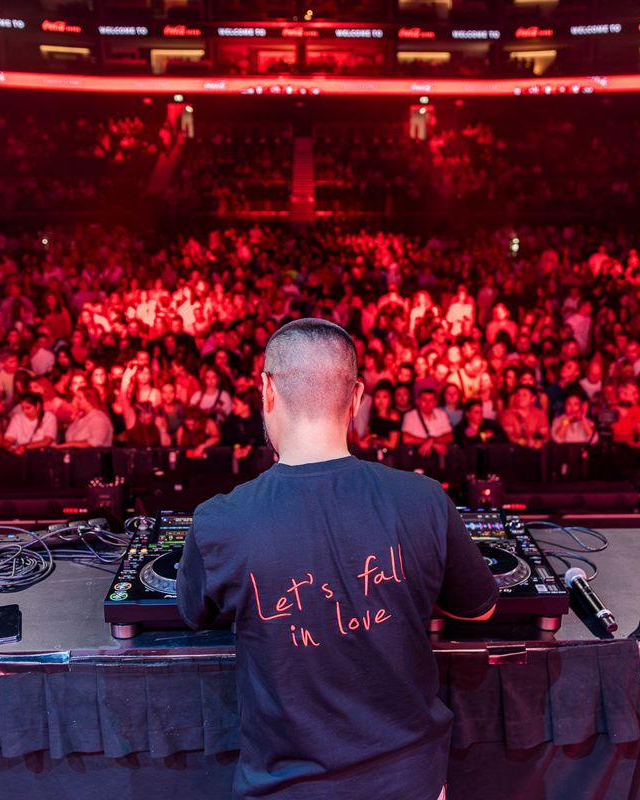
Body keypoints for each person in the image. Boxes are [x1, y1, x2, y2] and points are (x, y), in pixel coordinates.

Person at [176, 318, 497, 800]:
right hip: (412, 781)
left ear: (266, 390)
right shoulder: (425, 498)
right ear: (357, 397)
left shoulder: (219, 521)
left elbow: (193, 613)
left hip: (286, 789)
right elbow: (479, 608)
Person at [401, 387, 455, 457]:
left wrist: (432, 440)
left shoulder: (442, 414)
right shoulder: (409, 415)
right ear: (418, 401)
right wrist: (431, 442)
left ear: (436, 402)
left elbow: (450, 437)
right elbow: (405, 438)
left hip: (438, 457)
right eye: (424, 400)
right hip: (416, 456)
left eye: (431, 400)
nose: (428, 403)